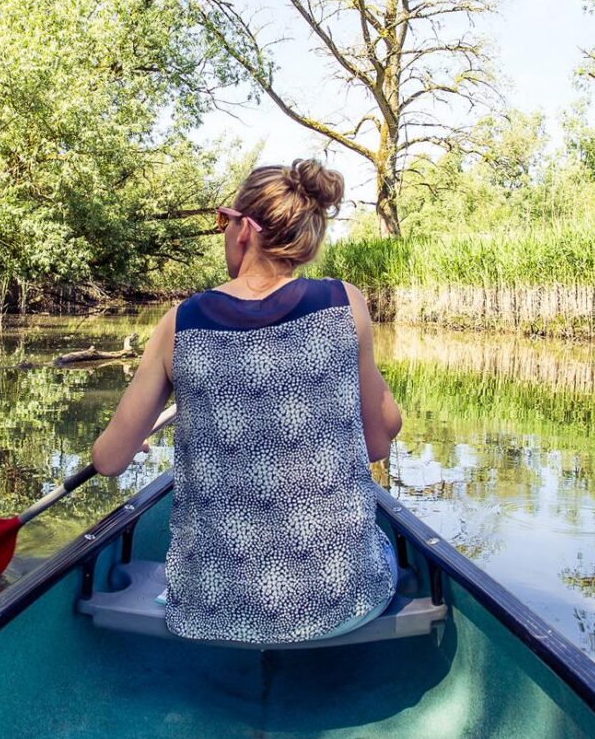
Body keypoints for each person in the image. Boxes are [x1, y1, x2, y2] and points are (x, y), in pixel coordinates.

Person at [89, 158, 404, 645]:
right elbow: (380, 441)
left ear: (244, 230)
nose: (223, 232)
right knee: (382, 546)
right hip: (344, 602)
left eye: (223, 219)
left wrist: (135, 439)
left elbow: (109, 460)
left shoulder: (180, 323)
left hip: (208, 610)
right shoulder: (347, 302)